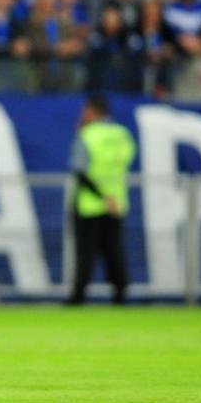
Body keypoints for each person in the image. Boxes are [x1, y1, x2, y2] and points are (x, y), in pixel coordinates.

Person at [67, 95, 136, 305]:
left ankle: (79, 296)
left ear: (92, 112)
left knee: (85, 252)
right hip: (117, 202)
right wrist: (110, 198)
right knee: (114, 250)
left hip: (89, 204)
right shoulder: (122, 134)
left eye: (85, 111)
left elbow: (80, 172)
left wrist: (101, 196)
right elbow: (125, 161)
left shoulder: (87, 135)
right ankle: (120, 294)